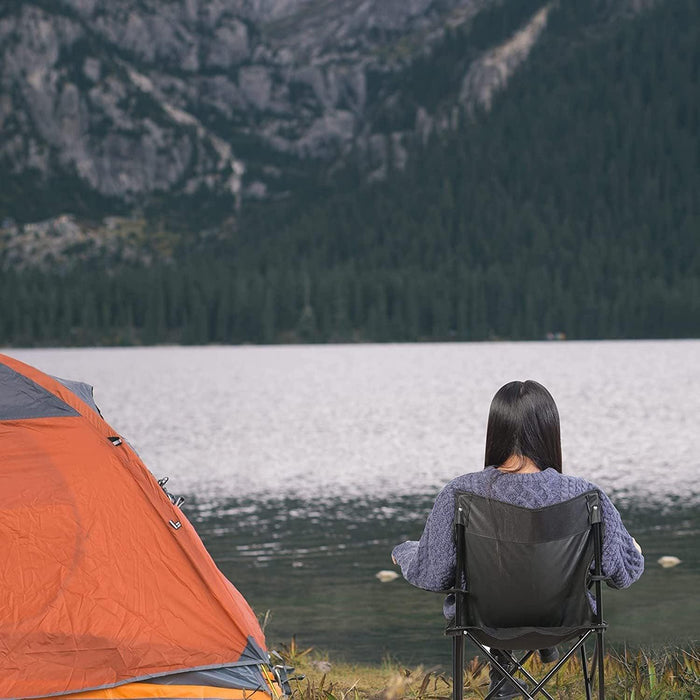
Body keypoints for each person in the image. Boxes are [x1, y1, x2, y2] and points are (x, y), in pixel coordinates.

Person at [391, 380, 644, 699]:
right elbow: (620, 573)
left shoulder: (460, 493)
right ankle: (531, 657)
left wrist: (405, 550)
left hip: (485, 619)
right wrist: (632, 549)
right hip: (564, 618)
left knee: (479, 575)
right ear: (550, 430)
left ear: (494, 430)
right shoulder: (586, 495)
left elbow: (435, 572)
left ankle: (504, 672)